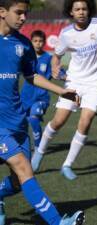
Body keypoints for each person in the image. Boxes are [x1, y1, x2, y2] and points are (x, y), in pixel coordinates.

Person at [0, 0, 85, 224]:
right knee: (24, 168)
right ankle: (58, 222)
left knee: (19, 181)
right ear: (1, 12)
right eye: (18, 13)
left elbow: (32, 76)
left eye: (25, 13)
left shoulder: (23, 44)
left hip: (17, 121)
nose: (23, 18)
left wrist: (62, 91)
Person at [31, 0, 97, 180]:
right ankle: (40, 151)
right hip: (74, 82)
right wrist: (55, 68)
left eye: (84, 8)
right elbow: (56, 57)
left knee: (86, 119)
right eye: (77, 9)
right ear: (71, 12)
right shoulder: (66, 34)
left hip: (95, 84)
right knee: (59, 121)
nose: (81, 12)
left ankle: (67, 165)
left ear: (89, 10)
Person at [20, 30, 65, 154]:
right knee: (21, 122)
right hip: (25, 96)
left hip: (41, 97)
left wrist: (64, 76)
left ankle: (39, 148)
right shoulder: (26, 57)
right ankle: (22, 146)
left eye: (40, 41)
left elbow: (59, 72)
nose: (38, 44)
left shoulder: (49, 59)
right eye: (35, 41)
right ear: (31, 42)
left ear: (44, 42)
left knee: (34, 119)